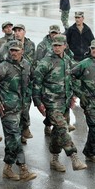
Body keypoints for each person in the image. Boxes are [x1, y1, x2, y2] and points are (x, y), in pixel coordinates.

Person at [33, 34, 87, 172]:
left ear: (65, 46)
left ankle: (54, 160)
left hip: (65, 103)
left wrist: (73, 96)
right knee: (63, 128)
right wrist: (38, 102)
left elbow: (70, 80)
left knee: (58, 132)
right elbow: (36, 83)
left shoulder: (67, 60)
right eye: (54, 45)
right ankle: (74, 156)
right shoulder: (46, 62)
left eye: (59, 45)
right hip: (51, 103)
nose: (56, 48)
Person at [0, 40, 37, 182]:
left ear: (22, 51)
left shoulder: (27, 65)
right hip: (7, 110)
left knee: (12, 140)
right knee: (15, 138)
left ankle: (7, 169)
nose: (14, 53)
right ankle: (23, 168)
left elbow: (32, 82)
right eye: (12, 50)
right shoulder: (4, 67)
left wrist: (29, 99)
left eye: (17, 50)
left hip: (21, 109)